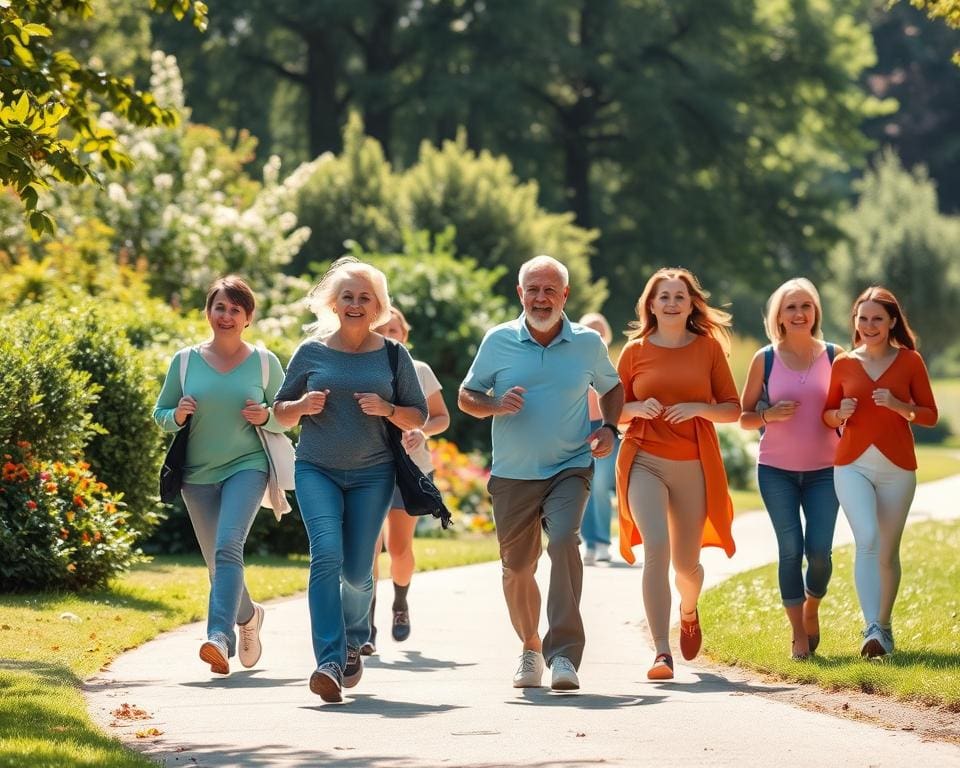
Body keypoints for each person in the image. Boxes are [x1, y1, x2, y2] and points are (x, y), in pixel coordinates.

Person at [459, 255, 623, 692]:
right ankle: (531, 647)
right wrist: (494, 404)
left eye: (550, 289)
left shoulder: (588, 344)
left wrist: (609, 428)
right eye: (533, 288)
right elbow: (466, 395)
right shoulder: (498, 341)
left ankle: (565, 654)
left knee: (566, 540)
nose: (541, 297)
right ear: (520, 293)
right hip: (514, 473)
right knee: (516, 569)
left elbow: (613, 387)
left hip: (570, 465)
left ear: (565, 295)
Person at [272, 259, 428, 702]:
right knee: (325, 555)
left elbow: (417, 413)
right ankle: (329, 660)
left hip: (372, 474)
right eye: (347, 296)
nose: (355, 304)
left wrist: (388, 409)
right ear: (332, 303)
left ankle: (357, 633)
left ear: (378, 306)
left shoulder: (394, 355)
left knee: (358, 573)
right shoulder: (311, 351)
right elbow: (279, 414)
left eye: (364, 298)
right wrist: (301, 405)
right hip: (316, 468)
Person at [153, 276, 285, 676]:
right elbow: (160, 413)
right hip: (196, 474)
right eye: (220, 307)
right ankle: (249, 617)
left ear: (248, 318)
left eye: (235, 309)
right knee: (216, 561)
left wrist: (268, 416)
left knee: (228, 547)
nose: (226, 316)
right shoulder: (185, 361)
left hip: (247, 466)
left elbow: (288, 416)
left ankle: (218, 638)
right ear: (208, 312)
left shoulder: (265, 362)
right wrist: (176, 415)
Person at [615, 267, 740, 681]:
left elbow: (733, 408)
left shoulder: (707, 350)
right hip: (644, 459)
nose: (671, 303)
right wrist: (635, 408)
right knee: (657, 551)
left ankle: (689, 610)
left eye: (679, 297)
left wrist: (697, 408)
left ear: (691, 305)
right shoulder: (633, 352)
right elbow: (611, 412)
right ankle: (661, 653)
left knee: (686, 566)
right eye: (663, 296)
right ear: (650, 304)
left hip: (693, 464)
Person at [822, 286, 938, 658]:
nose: (869, 325)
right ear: (855, 321)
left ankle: (883, 627)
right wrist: (839, 414)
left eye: (877, 319)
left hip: (898, 467)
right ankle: (870, 627)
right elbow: (826, 413)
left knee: (887, 551)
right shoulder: (843, 363)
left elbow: (930, 415)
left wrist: (898, 404)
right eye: (863, 318)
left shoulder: (910, 362)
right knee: (868, 539)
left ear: (891, 323)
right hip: (851, 464)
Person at [739, 278, 842, 660]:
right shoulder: (765, 358)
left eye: (806, 306)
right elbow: (744, 417)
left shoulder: (835, 356)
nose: (799, 313)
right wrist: (767, 414)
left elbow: (849, 407)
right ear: (778, 316)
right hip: (776, 471)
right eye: (790, 307)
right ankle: (798, 633)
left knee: (819, 553)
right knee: (789, 549)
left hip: (825, 471)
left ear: (815, 312)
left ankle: (812, 607)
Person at [364, 307, 451, 654]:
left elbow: (442, 417)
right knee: (367, 552)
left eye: (395, 330)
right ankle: (365, 627)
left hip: (410, 470)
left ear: (405, 335)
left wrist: (421, 430)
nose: (389, 335)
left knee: (399, 550)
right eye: (382, 329)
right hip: (367, 469)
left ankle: (400, 603)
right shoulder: (360, 368)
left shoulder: (419, 371)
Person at [578, 312, 620, 565]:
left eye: (600, 330)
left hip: (605, 428)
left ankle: (603, 541)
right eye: (590, 330)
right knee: (582, 487)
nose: (596, 334)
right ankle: (589, 543)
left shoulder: (611, 363)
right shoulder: (573, 363)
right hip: (579, 430)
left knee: (601, 485)